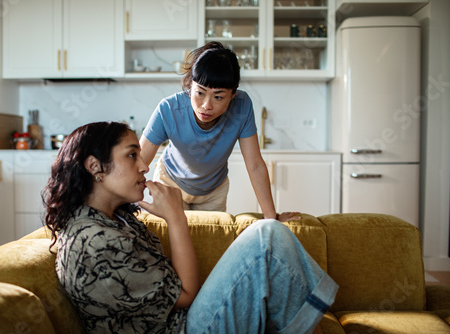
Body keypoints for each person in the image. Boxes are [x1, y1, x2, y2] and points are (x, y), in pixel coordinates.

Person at [42, 121, 338, 334]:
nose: (144, 165)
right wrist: (176, 218)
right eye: (132, 155)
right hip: (181, 328)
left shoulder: (110, 219)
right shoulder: (96, 242)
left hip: (183, 322)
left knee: (268, 242)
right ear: (95, 167)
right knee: (266, 236)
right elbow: (186, 295)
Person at [140, 42, 298, 222]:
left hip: (213, 191)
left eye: (218, 97)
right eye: (200, 93)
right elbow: (139, 161)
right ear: (191, 86)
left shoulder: (242, 106)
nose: (206, 105)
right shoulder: (168, 109)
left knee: (210, 244)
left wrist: (271, 218)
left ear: (232, 95)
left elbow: (254, 164)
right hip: (170, 183)